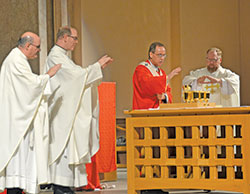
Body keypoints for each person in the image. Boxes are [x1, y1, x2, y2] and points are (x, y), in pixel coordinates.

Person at [45, 26, 113, 194]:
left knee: (69, 150)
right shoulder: (55, 56)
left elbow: (77, 76)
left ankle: (65, 186)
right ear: (65, 37)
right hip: (62, 115)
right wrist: (96, 66)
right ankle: (60, 187)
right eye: (74, 38)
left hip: (68, 113)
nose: (76, 42)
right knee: (63, 150)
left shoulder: (63, 57)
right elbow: (75, 77)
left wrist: (95, 69)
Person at [0, 32, 61, 194]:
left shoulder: (18, 60)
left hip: (20, 119)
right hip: (17, 123)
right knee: (17, 164)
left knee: (20, 164)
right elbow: (29, 87)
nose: (39, 50)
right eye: (38, 47)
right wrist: (48, 75)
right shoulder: (15, 60)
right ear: (27, 46)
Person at [133, 42, 181, 110]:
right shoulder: (141, 69)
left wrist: (164, 97)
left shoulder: (161, 73)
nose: (162, 58)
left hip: (159, 112)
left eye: (164, 55)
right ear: (151, 54)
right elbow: (147, 84)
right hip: (144, 110)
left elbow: (168, 92)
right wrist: (167, 77)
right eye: (159, 55)